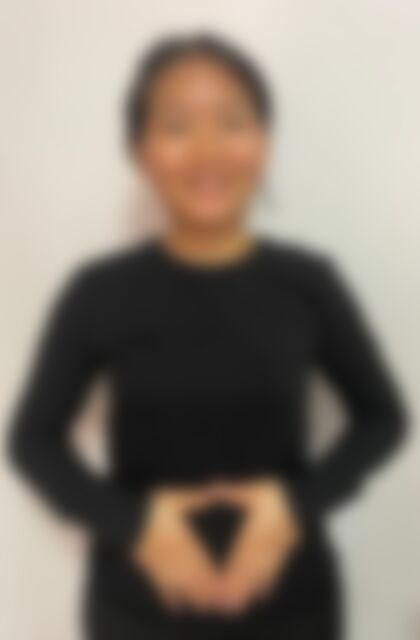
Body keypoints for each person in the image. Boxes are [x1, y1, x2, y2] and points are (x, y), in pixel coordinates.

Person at [8, 33, 406, 640]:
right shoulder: (100, 292)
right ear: (140, 152)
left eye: (232, 123)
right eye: (176, 127)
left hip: (292, 606)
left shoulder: (309, 283)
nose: (207, 151)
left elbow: (383, 418)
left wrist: (292, 507)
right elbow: (33, 439)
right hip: (136, 610)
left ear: (265, 143)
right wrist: (136, 523)